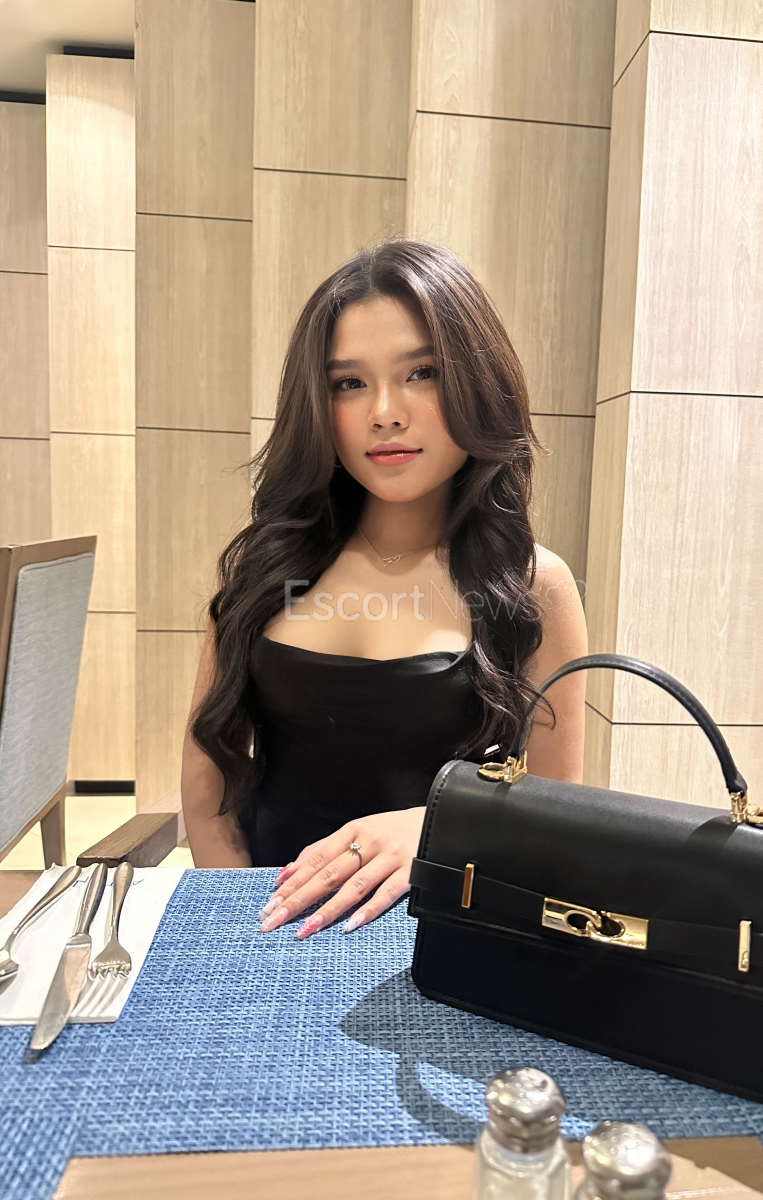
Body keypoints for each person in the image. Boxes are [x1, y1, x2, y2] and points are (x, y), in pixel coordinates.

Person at [181, 237, 589, 941]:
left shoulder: (532, 586)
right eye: (349, 383)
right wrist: (246, 930)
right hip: (272, 929)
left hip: (443, 939)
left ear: (477, 382)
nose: (385, 412)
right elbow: (207, 773)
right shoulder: (264, 569)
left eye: (422, 373)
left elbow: (552, 810)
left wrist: (437, 825)